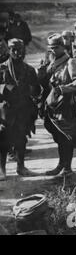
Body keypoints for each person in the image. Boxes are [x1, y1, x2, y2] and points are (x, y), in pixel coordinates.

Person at [40, 34, 76, 175]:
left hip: (67, 106)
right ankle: (62, 164)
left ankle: (67, 167)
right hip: (53, 106)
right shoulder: (50, 62)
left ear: (62, 47)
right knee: (59, 137)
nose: (52, 51)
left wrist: (63, 88)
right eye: (50, 48)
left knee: (67, 136)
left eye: (55, 48)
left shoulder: (71, 62)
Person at [0, 39, 41, 179]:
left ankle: (21, 167)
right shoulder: (2, 69)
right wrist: (6, 88)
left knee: (21, 139)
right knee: (3, 139)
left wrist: (37, 84)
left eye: (20, 49)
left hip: (23, 109)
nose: (17, 52)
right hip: (6, 110)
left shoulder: (29, 70)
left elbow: (36, 91)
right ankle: (2, 170)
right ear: (9, 51)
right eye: (14, 50)